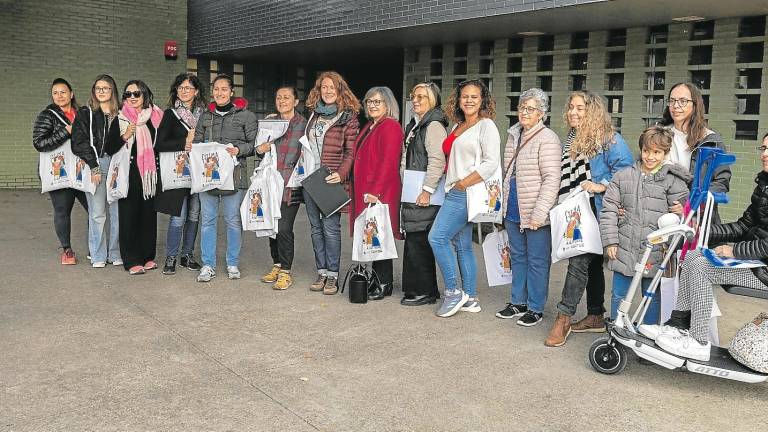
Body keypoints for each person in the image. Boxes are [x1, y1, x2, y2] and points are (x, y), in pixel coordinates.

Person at [639, 133, 768, 362]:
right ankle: (678, 324)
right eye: (764, 148)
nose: (764, 155)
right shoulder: (764, 185)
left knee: (701, 267)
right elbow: (744, 225)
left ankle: (698, 340)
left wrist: (735, 251)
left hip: (763, 270)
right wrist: (701, 231)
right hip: (756, 261)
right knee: (694, 255)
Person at [545, 91, 634, 347]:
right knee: (591, 263)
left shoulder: (608, 140)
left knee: (578, 262)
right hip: (578, 210)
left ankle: (563, 318)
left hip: (598, 211)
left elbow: (626, 172)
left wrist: (601, 185)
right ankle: (595, 314)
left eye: (580, 108)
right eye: (571, 107)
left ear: (592, 111)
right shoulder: (573, 139)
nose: (573, 112)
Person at [600, 126, 689, 324]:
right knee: (618, 295)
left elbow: (684, 215)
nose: (650, 156)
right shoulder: (623, 177)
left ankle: (647, 333)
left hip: (655, 252)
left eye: (657, 152)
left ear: (665, 153)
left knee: (651, 298)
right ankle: (616, 332)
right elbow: (608, 211)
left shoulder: (673, 181)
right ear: (640, 150)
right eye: (646, 151)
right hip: (624, 248)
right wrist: (610, 241)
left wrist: (683, 210)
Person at [428, 79, 500, 317]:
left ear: (482, 101)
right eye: (464, 96)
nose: (469, 100)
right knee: (463, 246)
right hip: (454, 189)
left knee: (437, 238)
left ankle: (453, 292)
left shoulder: (486, 125)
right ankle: (470, 297)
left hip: (465, 192)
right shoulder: (457, 125)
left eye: (474, 97)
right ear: (458, 100)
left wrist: (463, 183)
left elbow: (491, 162)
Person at [495, 88, 561, 326]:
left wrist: (540, 213)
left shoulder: (548, 138)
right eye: (522, 107)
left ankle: (535, 307)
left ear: (541, 113)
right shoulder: (514, 135)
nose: (524, 112)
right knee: (518, 257)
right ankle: (517, 302)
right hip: (514, 207)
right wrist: (500, 209)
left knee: (537, 260)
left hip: (535, 211)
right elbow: (507, 174)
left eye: (530, 108)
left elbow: (552, 178)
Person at [193, 74, 258, 282]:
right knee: (208, 221)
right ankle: (208, 264)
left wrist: (238, 149)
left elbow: (253, 145)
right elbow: (196, 142)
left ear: (231, 92)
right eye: (216, 89)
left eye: (224, 89)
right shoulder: (205, 116)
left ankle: (232, 263)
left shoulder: (246, 116)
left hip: (234, 176)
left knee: (232, 220)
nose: (219, 93)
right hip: (208, 176)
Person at [302, 71, 361, 295]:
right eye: (323, 87)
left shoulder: (348, 118)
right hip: (310, 179)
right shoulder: (313, 115)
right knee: (315, 228)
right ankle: (322, 271)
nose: (327, 91)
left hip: (330, 179)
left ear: (340, 90)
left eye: (332, 88)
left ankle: (333, 275)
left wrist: (341, 173)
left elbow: (351, 151)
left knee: (330, 229)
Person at [350, 86, 404, 300]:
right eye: (369, 101)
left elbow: (388, 163)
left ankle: (384, 282)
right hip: (366, 190)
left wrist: (376, 192)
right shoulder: (370, 126)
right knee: (372, 236)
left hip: (379, 191)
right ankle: (377, 279)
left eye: (377, 102)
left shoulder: (390, 126)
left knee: (378, 235)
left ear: (387, 105)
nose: (372, 105)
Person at [104, 80, 163, 275]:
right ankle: (131, 259)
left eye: (136, 93)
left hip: (149, 176)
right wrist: (124, 136)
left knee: (148, 216)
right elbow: (109, 148)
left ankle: (147, 257)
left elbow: (163, 143)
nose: (132, 97)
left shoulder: (155, 117)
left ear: (144, 94)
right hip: (129, 175)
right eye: (128, 94)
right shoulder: (120, 120)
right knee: (129, 217)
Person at [400, 82, 448, 306]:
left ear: (433, 101)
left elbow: (437, 160)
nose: (416, 100)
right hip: (412, 191)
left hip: (422, 193)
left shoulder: (434, 125)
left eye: (422, 97)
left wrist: (427, 190)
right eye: (414, 96)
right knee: (414, 239)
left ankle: (424, 291)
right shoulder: (415, 124)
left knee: (418, 240)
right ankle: (418, 289)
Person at [32, 78, 88, 265]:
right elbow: (39, 143)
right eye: (55, 93)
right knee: (62, 210)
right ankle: (67, 249)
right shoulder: (47, 115)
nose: (59, 96)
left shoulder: (82, 113)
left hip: (81, 170)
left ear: (71, 94)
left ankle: (96, 246)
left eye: (63, 92)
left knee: (95, 208)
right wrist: (66, 131)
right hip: (59, 171)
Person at [154, 73, 205, 275]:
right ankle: (171, 257)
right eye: (181, 88)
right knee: (178, 217)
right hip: (178, 170)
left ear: (196, 91)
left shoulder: (203, 115)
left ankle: (187, 255)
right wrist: (183, 143)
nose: (184, 91)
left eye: (188, 88)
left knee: (194, 215)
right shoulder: (170, 114)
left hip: (199, 171)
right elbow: (159, 144)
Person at [258, 86, 308, 290]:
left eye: (287, 97)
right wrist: (260, 148)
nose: (282, 100)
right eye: (279, 97)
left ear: (296, 101)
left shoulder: (304, 125)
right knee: (272, 226)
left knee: (284, 227)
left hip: (291, 183)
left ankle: (286, 271)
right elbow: (260, 148)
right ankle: (276, 265)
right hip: (270, 181)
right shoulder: (270, 122)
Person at [659, 82, 730, 224]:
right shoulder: (659, 134)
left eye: (683, 101)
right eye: (672, 101)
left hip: (697, 219)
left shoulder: (711, 141)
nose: (676, 105)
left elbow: (721, 183)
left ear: (695, 105)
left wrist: (689, 203)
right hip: (659, 213)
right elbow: (642, 170)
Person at [72, 75, 122, 268]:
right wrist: (93, 165)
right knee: (97, 212)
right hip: (97, 163)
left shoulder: (120, 113)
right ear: (94, 91)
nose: (101, 91)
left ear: (112, 91)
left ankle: (115, 252)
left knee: (117, 212)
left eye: (106, 88)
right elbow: (79, 141)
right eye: (98, 88)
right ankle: (98, 254)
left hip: (117, 164)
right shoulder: (86, 113)